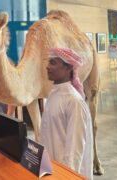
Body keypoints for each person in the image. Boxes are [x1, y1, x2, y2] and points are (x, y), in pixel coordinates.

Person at [40, 48, 93, 179]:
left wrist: (65, 176)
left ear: (68, 67)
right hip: (52, 171)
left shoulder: (74, 101)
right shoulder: (53, 95)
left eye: (53, 63)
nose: (47, 67)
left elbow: (74, 151)